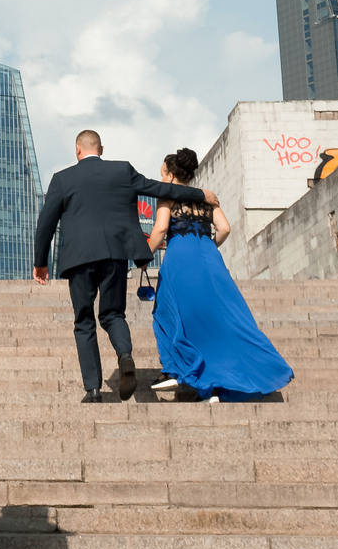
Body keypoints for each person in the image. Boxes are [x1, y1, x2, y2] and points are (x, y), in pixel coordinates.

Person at [32, 129, 218, 402]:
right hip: (114, 255)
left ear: (77, 150)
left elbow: (45, 223)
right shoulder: (122, 171)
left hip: (78, 259)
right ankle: (125, 356)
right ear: (102, 149)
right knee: (113, 315)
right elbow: (159, 187)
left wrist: (40, 262)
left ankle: (93, 390)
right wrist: (199, 194)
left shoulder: (62, 179)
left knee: (84, 322)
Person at [145, 146, 292, 403]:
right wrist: (208, 245)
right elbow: (224, 228)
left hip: (181, 256)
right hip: (209, 256)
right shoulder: (207, 198)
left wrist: (143, 256)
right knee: (220, 318)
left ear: (169, 177)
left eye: (162, 174)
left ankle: (178, 371)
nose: (161, 179)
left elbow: (160, 229)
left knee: (167, 311)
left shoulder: (166, 196)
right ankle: (218, 384)